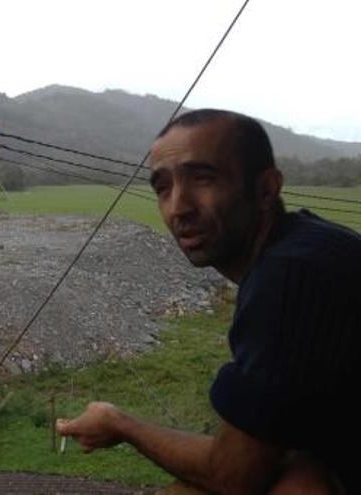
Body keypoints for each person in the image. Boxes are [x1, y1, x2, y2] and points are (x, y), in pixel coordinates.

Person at [57, 109, 361, 494]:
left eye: (203, 178)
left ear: (266, 189)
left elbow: (232, 475)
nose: (178, 208)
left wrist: (120, 424)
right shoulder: (311, 244)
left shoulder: (290, 275)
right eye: (162, 188)